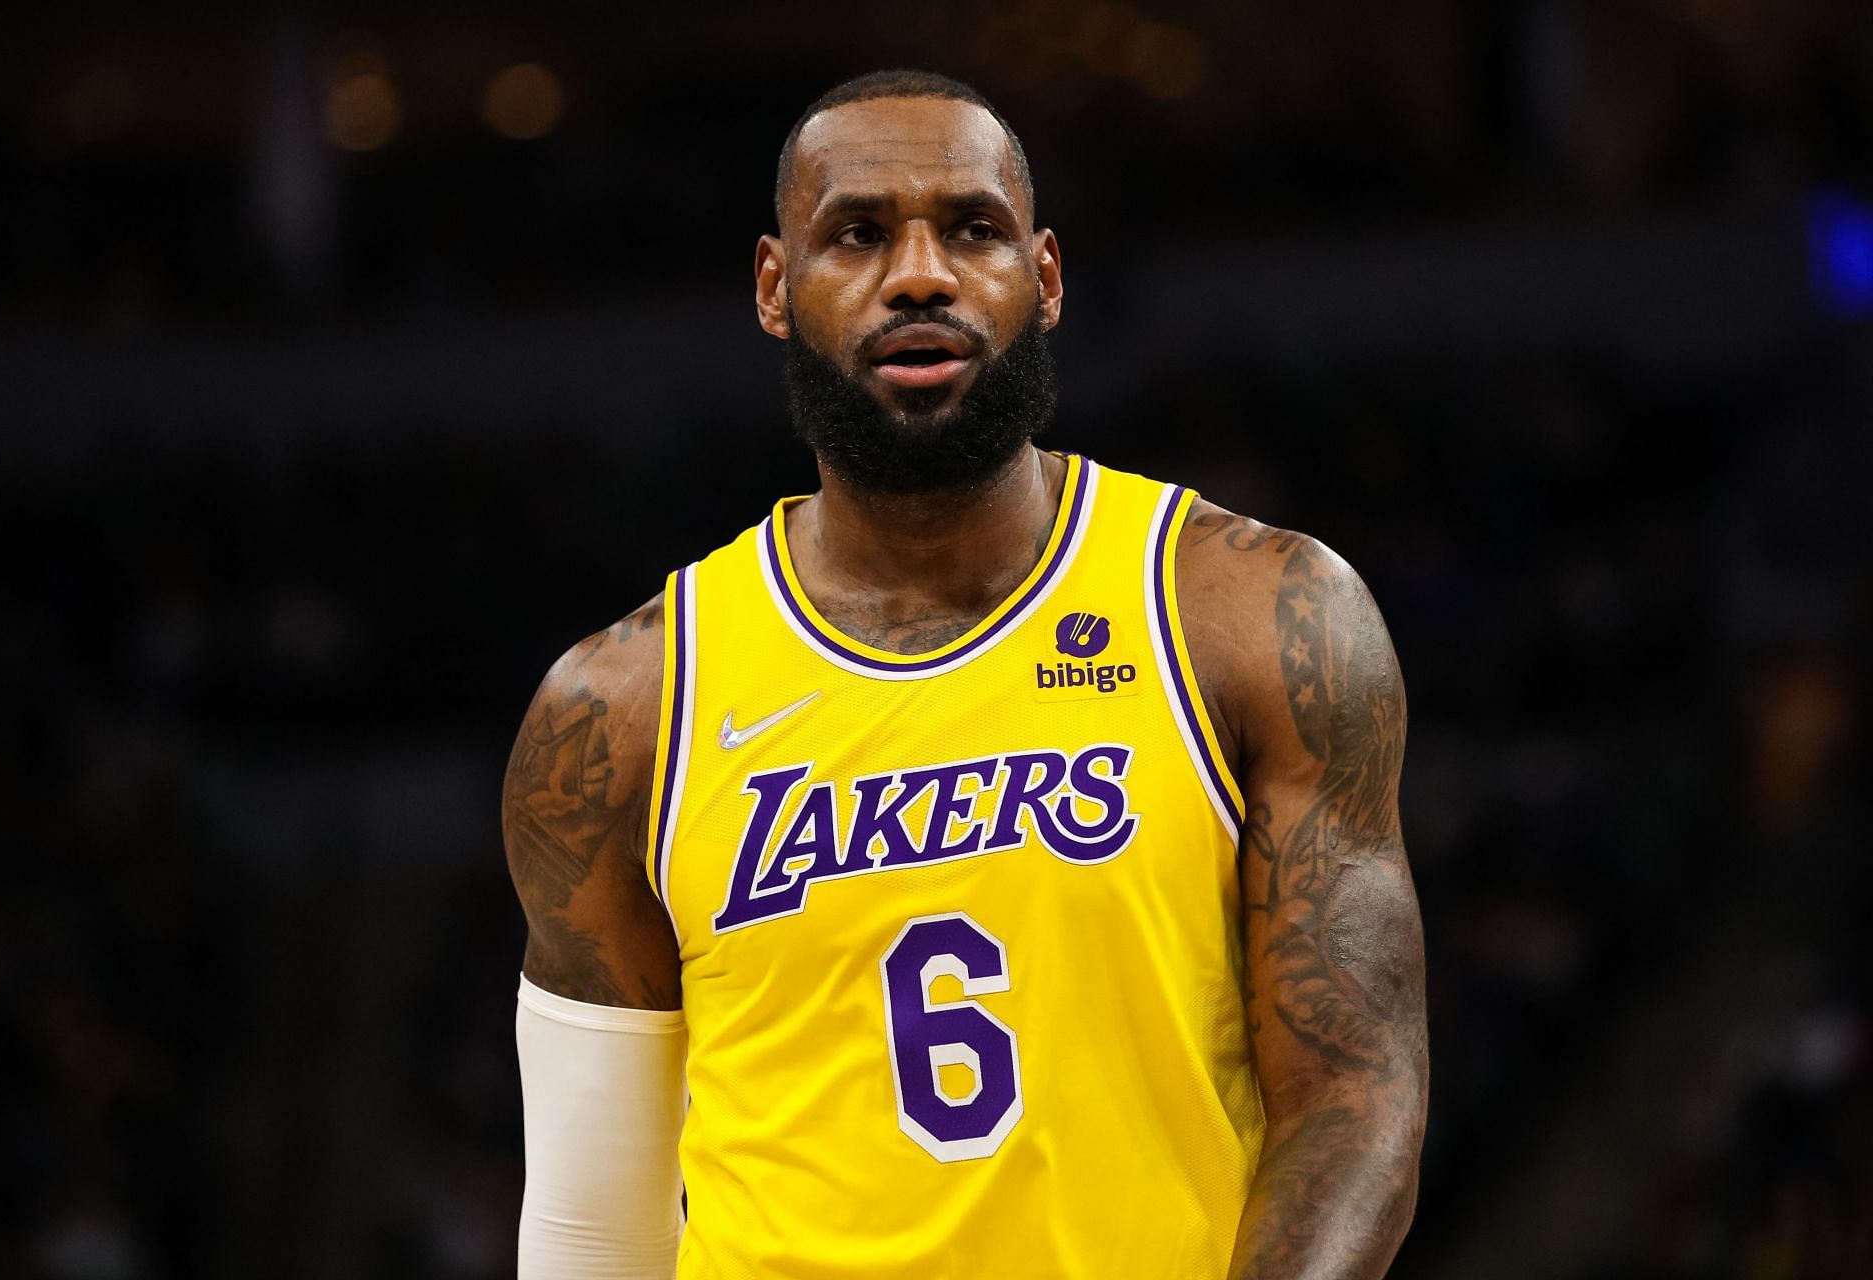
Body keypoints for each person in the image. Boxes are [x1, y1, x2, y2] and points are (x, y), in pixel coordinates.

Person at [503, 69, 1428, 1279]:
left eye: (973, 228)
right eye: (859, 234)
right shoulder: (619, 710)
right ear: (776, 289)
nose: (922, 273)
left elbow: (1355, 1099)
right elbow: (591, 1228)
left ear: (1043, 277)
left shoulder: (1254, 616)